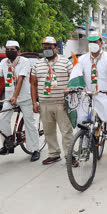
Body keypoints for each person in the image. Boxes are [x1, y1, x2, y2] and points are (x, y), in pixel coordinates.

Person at [69, 31, 107, 166]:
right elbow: (76, 73)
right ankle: (83, 148)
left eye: (96, 42)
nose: (93, 44)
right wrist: (72, 86)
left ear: (101, 43)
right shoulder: (83, 59)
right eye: (91, 42)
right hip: (87, 95)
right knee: (82, 122)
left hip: (105, 95)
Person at [31, 37, 76, 166]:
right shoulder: (37, 64)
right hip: (44, 104)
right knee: (48, 131)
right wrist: (35, 102)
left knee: (66, 131)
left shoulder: (66, 63)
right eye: (44, 48)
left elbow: (72, 81)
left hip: (61, 103)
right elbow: (33, 84)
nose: (46, 50)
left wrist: (68, 100)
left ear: (56, 48)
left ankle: (70, 155)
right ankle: (54, 154)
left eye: (49, 48)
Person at [0, 41, 40, 161]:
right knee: (2, 119)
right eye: (7, 49)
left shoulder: (24, 61)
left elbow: (21, 79)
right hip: (9, 97)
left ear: (18, 51)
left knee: (30, 124)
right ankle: (8, 143)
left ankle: (35, 149)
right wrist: (11, 97)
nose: (9, 51)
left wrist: (15, 96)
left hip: (23, 97)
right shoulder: (3, 62)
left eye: (12, 49)